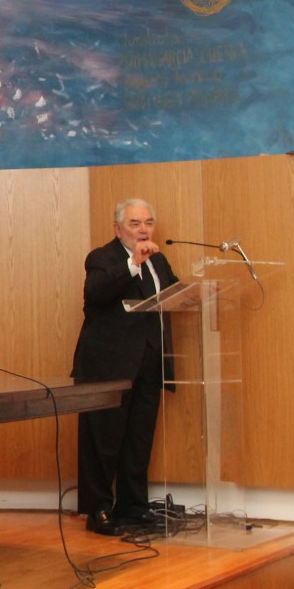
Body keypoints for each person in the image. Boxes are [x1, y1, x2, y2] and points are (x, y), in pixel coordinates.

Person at [72, 198, 178, 536]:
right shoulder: (102, 257)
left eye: (148, 222)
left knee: (138, 440)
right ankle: (98, 509)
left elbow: (174, 294)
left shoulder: (159, 260)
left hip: (148, 361)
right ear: (118, 228)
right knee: (102, 440)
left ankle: (133, 507)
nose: (144, 229)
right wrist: (132, 263)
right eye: (135, 223)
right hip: (109, 364)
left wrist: (201, 291)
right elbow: (97, 293)